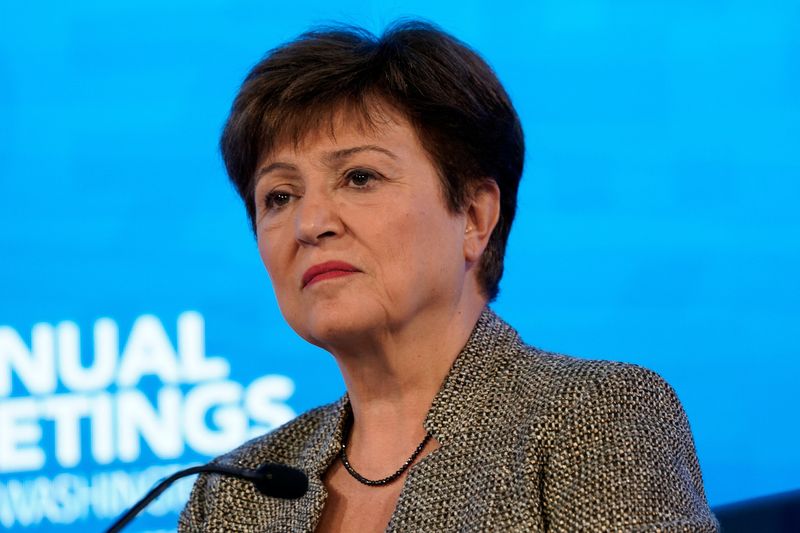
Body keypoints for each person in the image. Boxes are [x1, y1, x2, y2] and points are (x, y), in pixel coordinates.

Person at [179, 20, 718, 532]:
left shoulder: (594, 419)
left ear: (475, 217)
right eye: (279, 196)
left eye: (359, 177)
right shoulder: (230, 494)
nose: (310, 223)